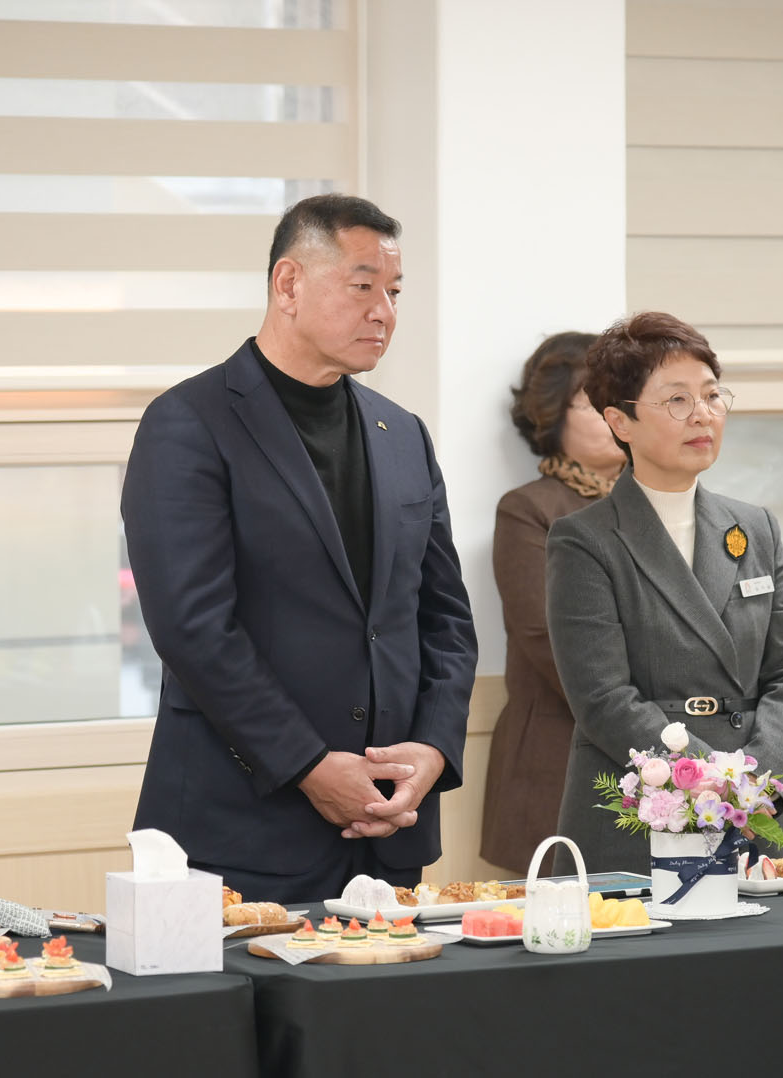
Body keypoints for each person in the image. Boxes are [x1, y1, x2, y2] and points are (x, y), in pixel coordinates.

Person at [121, 194, 477, 903]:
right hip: (243, 831)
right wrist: (310, 766)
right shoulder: (189, 423)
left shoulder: (402, 433)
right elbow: (194, 629)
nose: (384, 312)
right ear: (288, 284)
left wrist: (432, 750)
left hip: (389, 826)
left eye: (395, 292)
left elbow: (445, 618)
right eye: (363, 286)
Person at [547, 312, 783, 874]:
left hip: (754, 806)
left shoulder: (756, 528)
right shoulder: (585, 540)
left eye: (712, 395)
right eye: (676, 400)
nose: (702, 414)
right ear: (620, 421)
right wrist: (713, 781)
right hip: (640, 807)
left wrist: (755, 781)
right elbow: (603, 698)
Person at [480, 332, 626, 876]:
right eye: (592, 401)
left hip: (664, 757)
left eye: (622, 398)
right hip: (556, 758)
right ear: (552, 415)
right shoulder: (529, 509)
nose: (613, 415)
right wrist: (648, 718)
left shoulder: (662, 505)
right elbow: (547, 638)